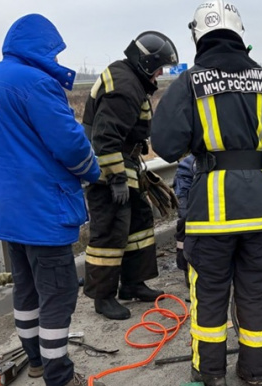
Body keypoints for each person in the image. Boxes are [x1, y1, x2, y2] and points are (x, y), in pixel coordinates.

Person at [151, 1, 262, 386]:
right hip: (259, 211)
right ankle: (256, 373)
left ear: (198, 36)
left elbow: (165, 144)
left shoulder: (190, 82)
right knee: (254, 290)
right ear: (239, 34)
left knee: (210, 293)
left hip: (211, 215)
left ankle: (211, 375)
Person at [0, 14, 106, 386]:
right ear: (40, 46)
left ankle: (36, 361)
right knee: (58, 293)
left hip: (10, 208)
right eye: (53, 50)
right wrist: (93, 171)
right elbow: (69, 142)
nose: (55, 57)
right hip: (41, 208)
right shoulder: (35, 83)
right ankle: (59, 378)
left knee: (27, 289)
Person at [81, 32, 178, 320]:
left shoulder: (130, 78)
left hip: (125, 164)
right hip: (109, 171)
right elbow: (105, 137)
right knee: (111, 230)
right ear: (146, 63)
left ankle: (133, 283)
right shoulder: (125, 86)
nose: (160, 73)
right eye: (159, 67)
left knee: (139, 222)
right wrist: (117, 180)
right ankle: (103, 297)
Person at [173, 154, 196, 288]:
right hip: (194, 214)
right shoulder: (189, 164)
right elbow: (182, 194)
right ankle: (186, 269)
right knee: (184, 228)